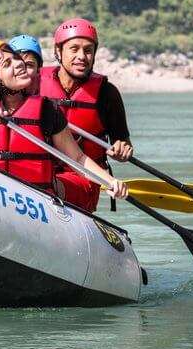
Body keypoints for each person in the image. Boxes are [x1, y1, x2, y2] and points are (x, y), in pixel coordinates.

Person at [0, 39, 127, 205]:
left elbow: (77, 157)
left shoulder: (47, 110)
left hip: (37, 203)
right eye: (7, 64)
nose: (18, 63)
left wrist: (110, 181)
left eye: (15, 57)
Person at [39, 18, 133, 211]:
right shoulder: (34, 85)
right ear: (58, 51)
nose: (82, 56)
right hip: (38, 171)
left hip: (84, 179)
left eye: (88, 50)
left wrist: (123, 151)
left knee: (46, 184)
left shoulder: (107, 94)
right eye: (74, 49)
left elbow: (123, 145)